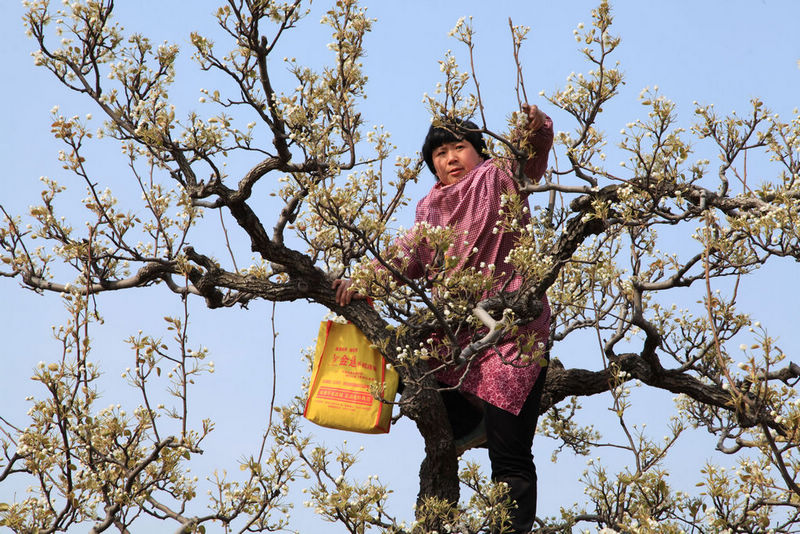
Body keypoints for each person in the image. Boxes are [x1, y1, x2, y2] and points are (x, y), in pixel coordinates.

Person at [334, 104, 553, 533]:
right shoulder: (430, 207)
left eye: (459, 147)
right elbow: (407, 254)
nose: (451, 158)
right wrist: (363, 282)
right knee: (406, 361)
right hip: (456, 335)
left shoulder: (499, 177)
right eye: (440, 153)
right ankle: (469, 424)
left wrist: (536, 127)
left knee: (509, 457)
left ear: (479, 151)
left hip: (512, 333)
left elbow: (530, 155)